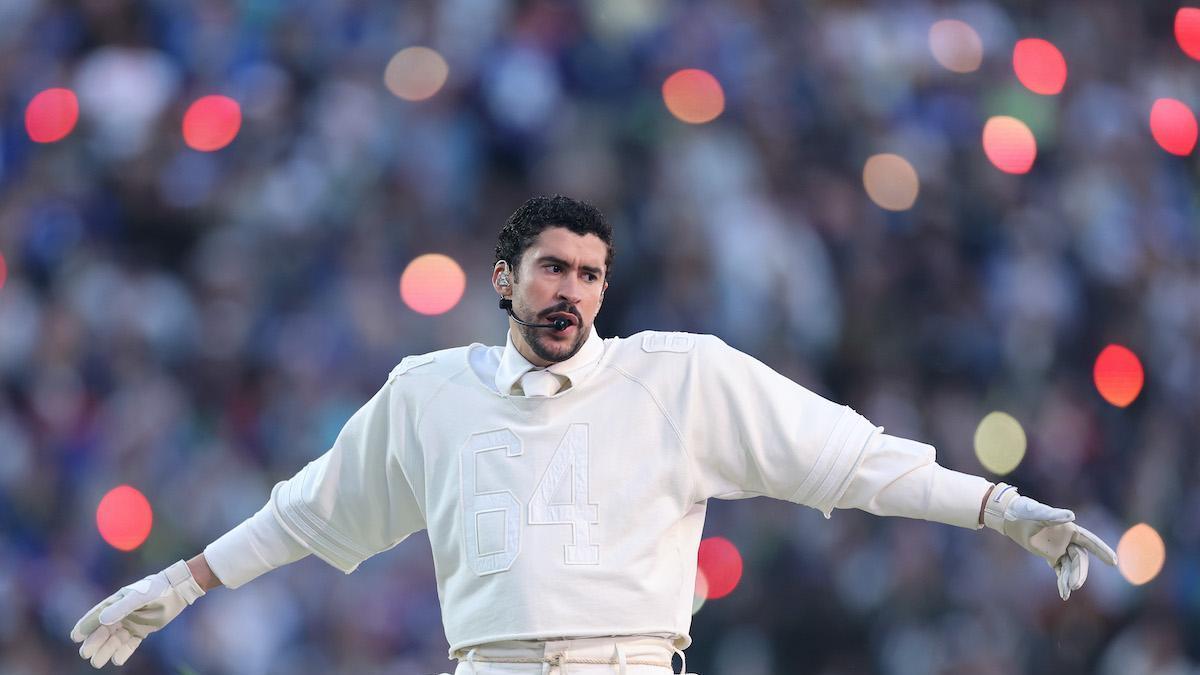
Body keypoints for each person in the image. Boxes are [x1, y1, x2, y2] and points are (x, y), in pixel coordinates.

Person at [70, 195, 1118, 673]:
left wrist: (996, 505)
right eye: (551, 269)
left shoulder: (678, 375)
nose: (569, 288)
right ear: (504, 279)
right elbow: (308, 513)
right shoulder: (427, 393)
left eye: (589, 273)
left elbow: (849, 457)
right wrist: (182, 583)